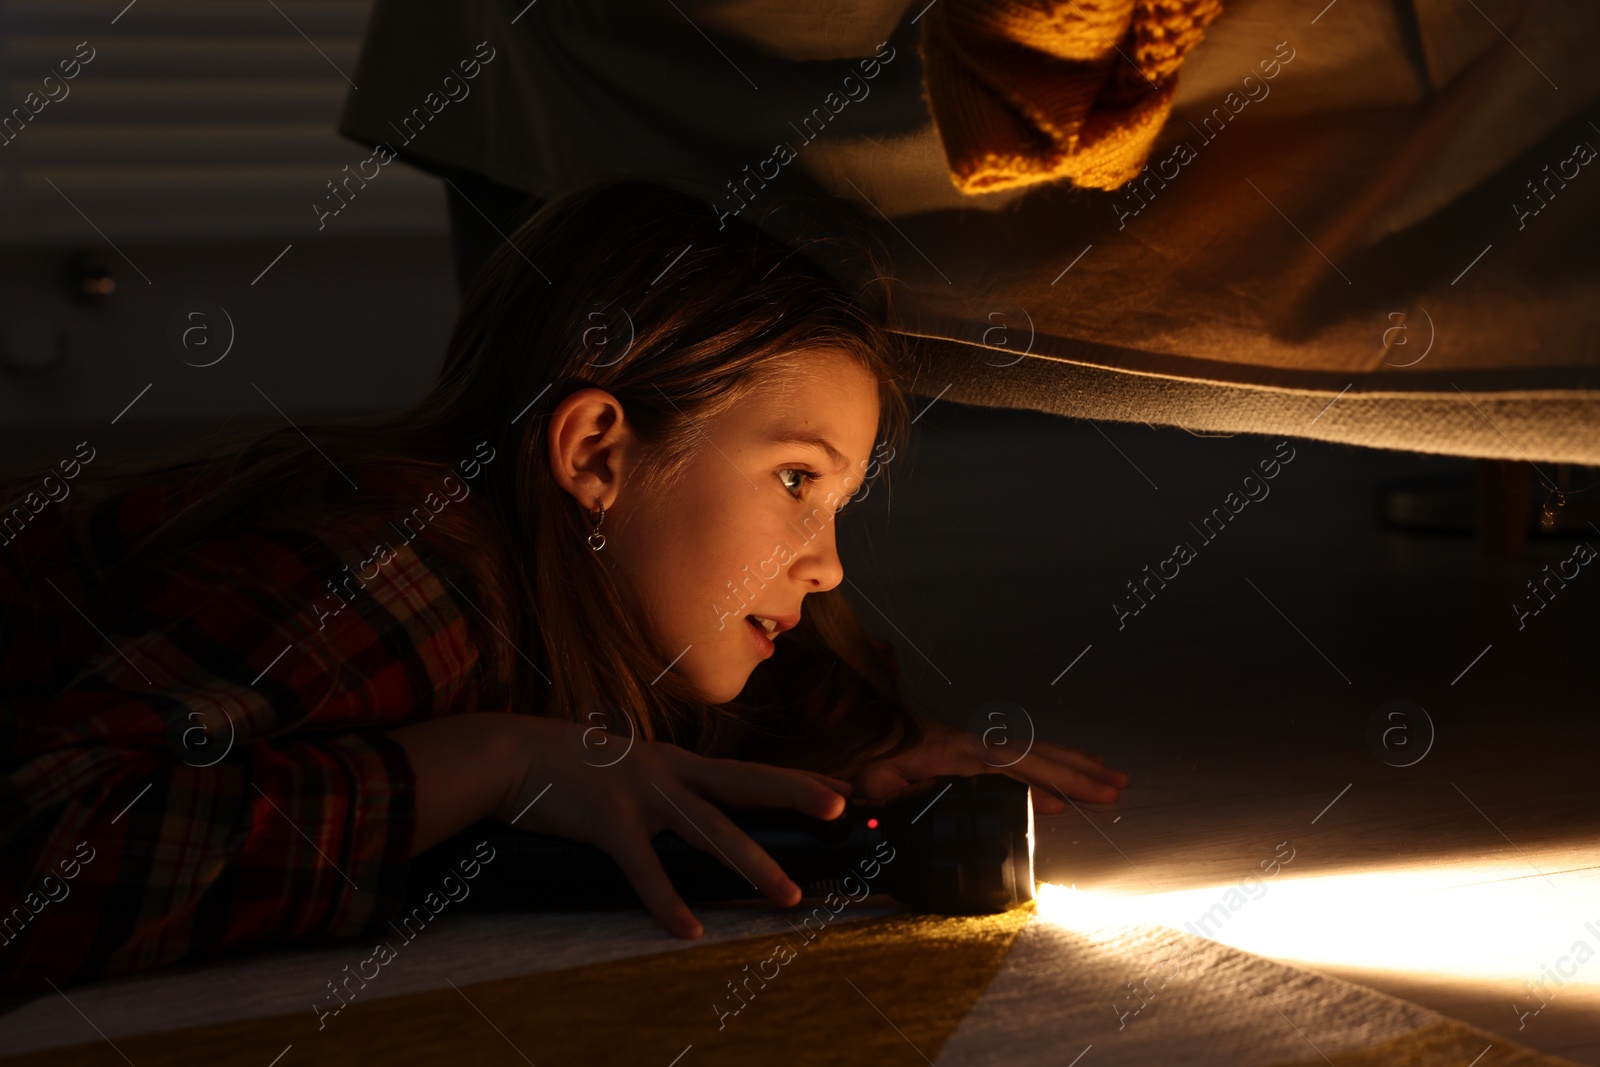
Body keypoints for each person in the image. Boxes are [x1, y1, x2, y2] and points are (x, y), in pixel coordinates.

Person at [0, 179, 1126, 993]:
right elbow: (45, 847)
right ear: (596, 453)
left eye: (837, 503)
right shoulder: (411, 566)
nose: (827, 561)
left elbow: (693, 718)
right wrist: (488, 760)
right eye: (797, 479)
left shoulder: (589, 601)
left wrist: (861, 754)